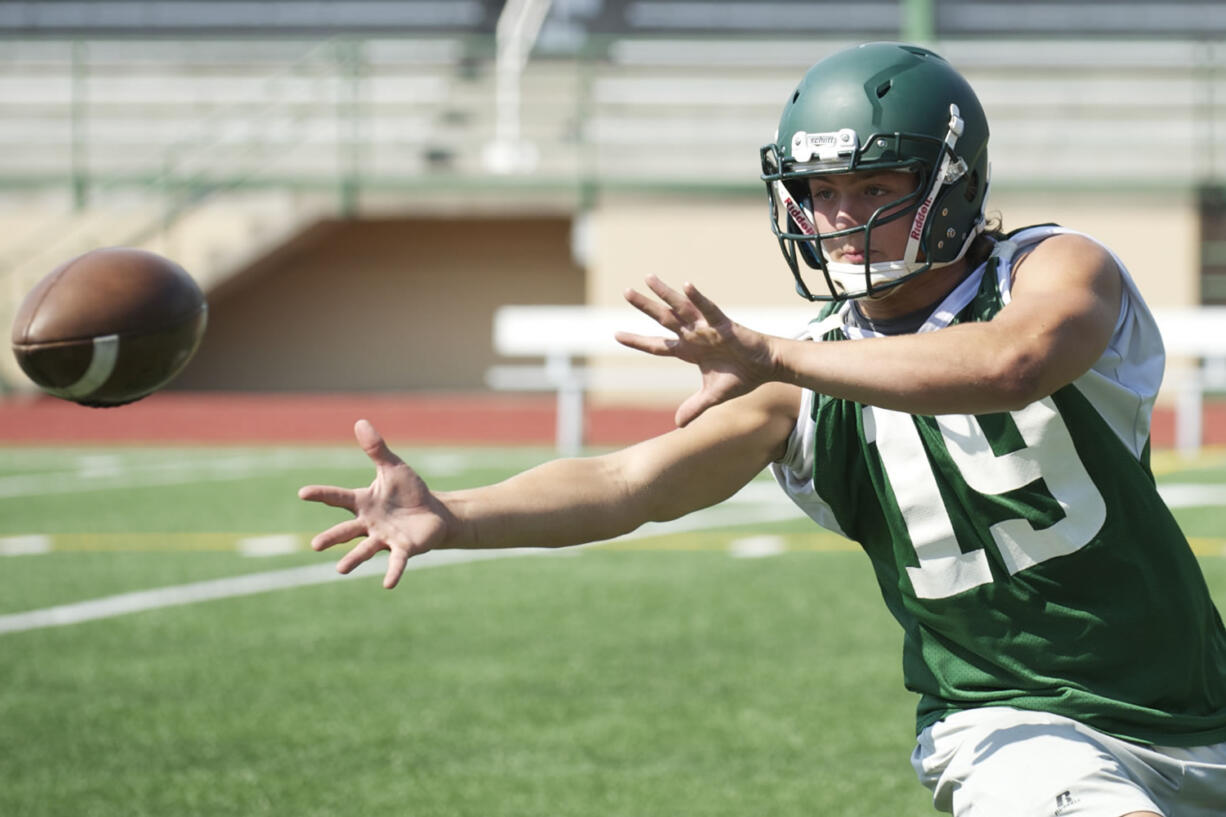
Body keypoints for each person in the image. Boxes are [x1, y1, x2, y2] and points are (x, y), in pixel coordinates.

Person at [300, 42, 1226, 817]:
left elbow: (1012, 363)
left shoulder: (1052, 266)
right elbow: (632, 482)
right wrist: (459, 512)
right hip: (1012, 723)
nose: (840, 216)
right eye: (820, 189)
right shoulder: (797, 373)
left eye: (874, 185)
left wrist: (780, 357)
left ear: (951, 180)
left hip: (1196, 702)